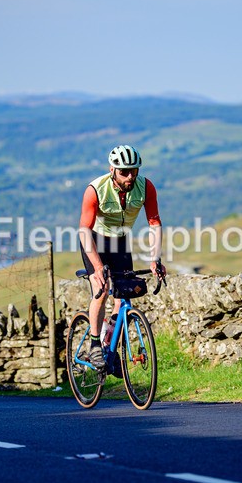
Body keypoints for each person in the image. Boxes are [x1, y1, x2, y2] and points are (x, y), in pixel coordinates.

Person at [78, 145, 167, 369]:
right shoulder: (95, 189)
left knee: (123, 295)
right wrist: (97, 268)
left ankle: (110, 347)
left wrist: (155, 258)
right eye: (124, 172)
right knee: (102, 290)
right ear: (112, 170)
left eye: (134, 171)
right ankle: (95, 345)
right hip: (95, 242)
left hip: (120, 242)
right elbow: (84, 231)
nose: (130, 176)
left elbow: (154, 223)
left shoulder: (145, 187)